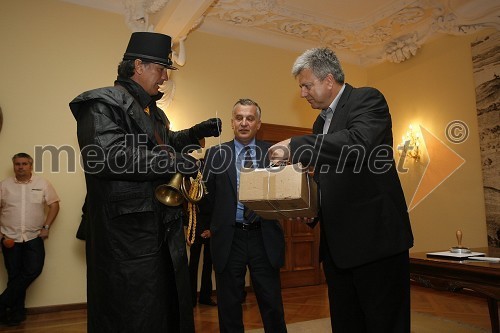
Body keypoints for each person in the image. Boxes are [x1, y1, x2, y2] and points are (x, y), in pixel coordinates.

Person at [69, 32, 221, 333]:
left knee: (165, 309)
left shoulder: (154, 112)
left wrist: (191, 133)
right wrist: (173, 161)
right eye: (161, 68)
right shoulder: (101, 103)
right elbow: (107, 156)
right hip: (126, 235)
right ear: (138, 65)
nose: (165, 76)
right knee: (132, 312)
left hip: (159, 226)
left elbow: (161, 144)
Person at [269, 47, 414, 333]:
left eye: (306, 85)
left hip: (375, 242)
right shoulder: (320, 122)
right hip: (338, 248)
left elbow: (357, 142)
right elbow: (330, 177)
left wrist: (295, 145)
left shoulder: (367, 99)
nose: (302, 93)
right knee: (347, 323)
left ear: (329, 80)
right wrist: (313, 209)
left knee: (383, 323)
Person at [203, 98, 287, 333]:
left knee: (272, 305)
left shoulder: (274, 153)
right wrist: (209, 225)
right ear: (232, 122)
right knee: (229, 306)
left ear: (258, 123)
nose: (244, 122)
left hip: (264, 236)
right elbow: (206, 197)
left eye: (250, 118)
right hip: (229, 239)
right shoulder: (215, 155)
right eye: (239, 117)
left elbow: (283, 192)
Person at [0, 153, 60, 326]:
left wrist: (46, 227)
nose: (21, 166)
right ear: (13, 166)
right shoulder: (4, 186)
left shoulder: (42, 184)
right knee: (14, 276)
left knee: (34, 270)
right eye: (17, 164)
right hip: (9, 238)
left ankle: (2, 303)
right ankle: (16, 315)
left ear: (30, 165)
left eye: (24, 163)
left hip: (34, 236)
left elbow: (54, 204)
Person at [188, 197, 216, 307]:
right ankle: (191, 298)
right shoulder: (191, 180)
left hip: (210, 224)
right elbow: (189, 205)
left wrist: (212, 229)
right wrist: (196, 228)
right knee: (193, 264)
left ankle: (205, 296)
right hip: (195, 223)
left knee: (208, 263)